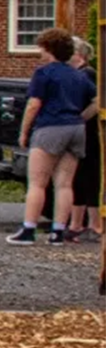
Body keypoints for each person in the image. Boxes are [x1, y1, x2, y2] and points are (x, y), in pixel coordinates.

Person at [9, 26, 99, 246]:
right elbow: (98, 100)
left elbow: (34, 104)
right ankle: (58, 231)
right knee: (65, 183)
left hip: (50, 127)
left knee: (37, 182)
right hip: (76, 129)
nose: (39, 52)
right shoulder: (78, 75)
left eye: (41, 48)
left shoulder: (44, 73)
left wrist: (23, 131)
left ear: (49, 49)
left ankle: (28, 229)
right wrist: (81, 117)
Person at [72, 38, 101, 242]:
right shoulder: (75, 75)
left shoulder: (87, 74)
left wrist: (80, 119)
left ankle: (95, 224)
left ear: (79, 55)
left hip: (90, 134)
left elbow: (98, 101)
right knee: (78, 177)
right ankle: (76, 223)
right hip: (80, 134)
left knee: (90, 176)